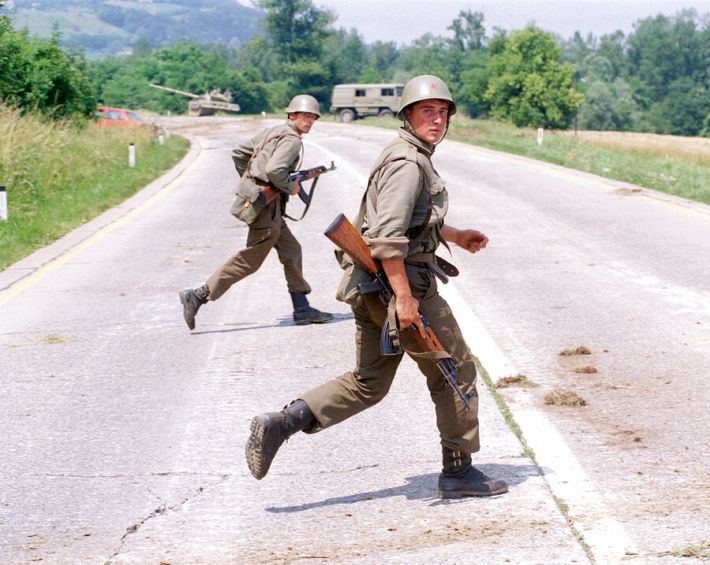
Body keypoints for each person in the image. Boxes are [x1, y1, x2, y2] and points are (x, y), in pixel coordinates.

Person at [244, 76, 508, 499]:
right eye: (427, 111)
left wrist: (454, 235)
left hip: (371, 288)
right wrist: (405, 298)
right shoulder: (408, 163)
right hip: (402, 289)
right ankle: (459, 472)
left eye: (443, 112)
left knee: (369, 382)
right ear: (407, 115)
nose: (437, 120)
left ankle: (283, 422)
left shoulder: (405, 155)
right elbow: (387, 238)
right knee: (454, 372)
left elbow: (405, 223)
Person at [179, 94, 334, 330]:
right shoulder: (291, 140)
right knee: (249, 260)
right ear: (291, 115)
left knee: (292, 251)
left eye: (313, 117)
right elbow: (274, 170)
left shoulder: (273, 132)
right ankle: (199, 295)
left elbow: (239, 153)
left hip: (265, 205)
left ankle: (302, 308)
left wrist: (252, 181)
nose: (309, 121)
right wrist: (285, 186)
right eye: (305, 116)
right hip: (265, 208)